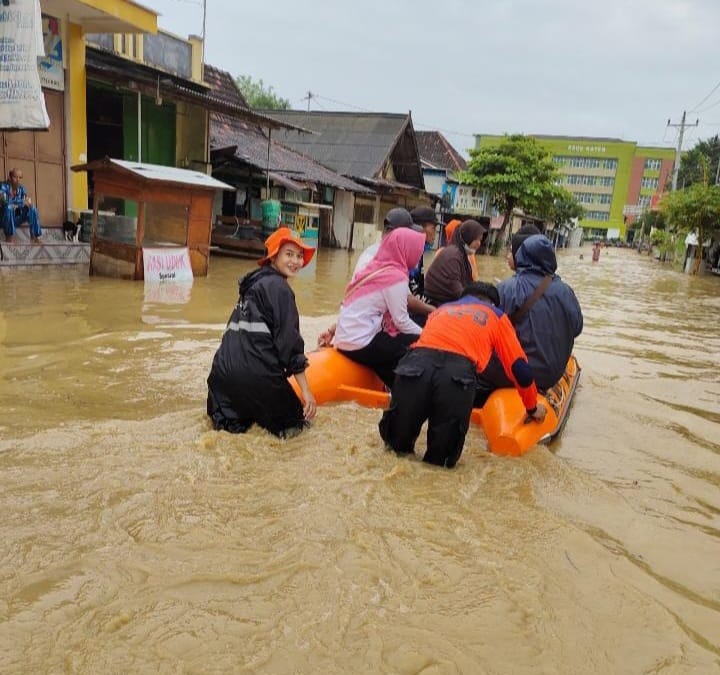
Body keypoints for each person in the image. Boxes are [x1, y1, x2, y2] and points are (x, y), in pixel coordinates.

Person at [378, 281, 547, 469]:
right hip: (456, 379)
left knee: (394, 453)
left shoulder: (441, 310)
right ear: (492, 304)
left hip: (414, 368)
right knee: (439, 465)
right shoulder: (496, 316)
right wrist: (532, 408)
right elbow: (520, 370)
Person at [206, 227, 317, 439]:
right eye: (289, 254)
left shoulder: (252, 286)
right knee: (298, 434)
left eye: (299, 256)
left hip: (221, 377)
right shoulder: (281, 290)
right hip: (257, 378)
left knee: (230, 440)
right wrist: (306, 392)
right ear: (273, 257)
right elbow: (290, 347)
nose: (295, 261)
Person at [477, 233, 583, 397]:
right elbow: (576, 328)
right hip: (551, 375)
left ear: (521, 256)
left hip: (516, 374)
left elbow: (485, 331)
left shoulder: (507, 288)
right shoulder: (566, 292)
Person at [318, 208, 433, 346]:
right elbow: (402, 304)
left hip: (369, 324)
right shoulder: (376, 259)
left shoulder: (391, 257)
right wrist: (434, 313)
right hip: (366, 332)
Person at [334, 227, 426, 387]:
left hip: (344, 339)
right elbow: (401, 321)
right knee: (415, 343)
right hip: (360, 343)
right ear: (406, 249)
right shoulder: (396, 276)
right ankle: (404, 391)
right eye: (417, 251)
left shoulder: (377, 266)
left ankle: (390, 385)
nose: (418, 257)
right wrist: (427, 336)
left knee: (396, 342)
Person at [423, 219, 486, 306]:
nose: (479, 244)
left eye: (480, 240)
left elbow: (470, 284)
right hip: (434, 305)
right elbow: (458, 292)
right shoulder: (453, 256)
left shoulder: (462, 255)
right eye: (477, 240)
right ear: (468, 237)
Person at [1, 168, 42, 240]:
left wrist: (19, 204)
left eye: (20, 177)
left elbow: (27, 202)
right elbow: (5, 202)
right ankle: (8, 237)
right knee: (9, 207)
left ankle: (35, 237)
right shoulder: (3, 186)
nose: (18, 179)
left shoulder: (22, 188)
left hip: (16, 217)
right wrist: (21, 202)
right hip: (3, 218)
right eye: (15, 177)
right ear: (10, 177)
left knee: (32, 208)